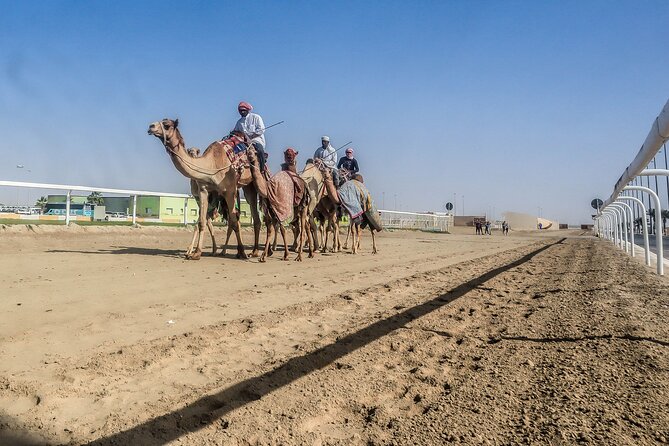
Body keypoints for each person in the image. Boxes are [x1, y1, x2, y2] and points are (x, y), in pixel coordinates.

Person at [233, 101, 266, 173]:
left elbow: (261, 130)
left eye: (243, 110)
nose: (242, 112)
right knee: (234, 150)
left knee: (260, 150)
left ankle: (262, 169)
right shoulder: (239, 122)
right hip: (243, 142)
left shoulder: (256, 117)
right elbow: (235, 131)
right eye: (240, 111)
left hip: (256, 141)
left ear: (248, 110)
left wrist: (250, 136)